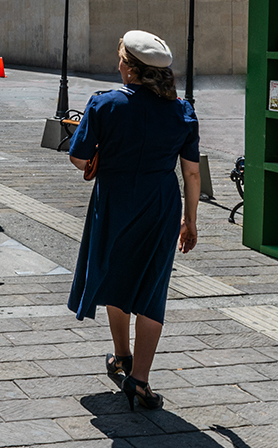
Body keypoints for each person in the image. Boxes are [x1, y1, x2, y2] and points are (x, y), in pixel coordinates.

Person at [67, 29, 200, 411]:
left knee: (117, 272)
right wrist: (190, 221)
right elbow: (192, 174)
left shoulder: (104, 104)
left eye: (121, 58)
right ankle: (140, 380)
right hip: (162, 202)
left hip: (114, 199)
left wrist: (99, 157)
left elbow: (80, 158)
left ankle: (121, 355)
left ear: (129, 68)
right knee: (152, 287)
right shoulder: (182, 111)